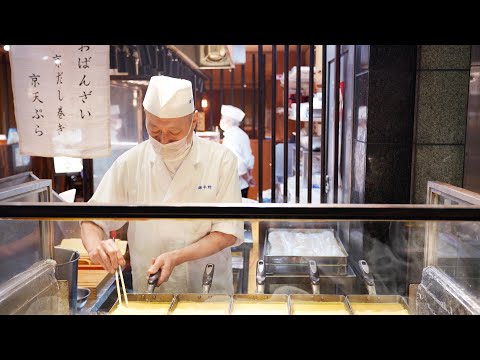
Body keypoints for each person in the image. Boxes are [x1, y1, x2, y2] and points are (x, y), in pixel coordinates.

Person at [80, 75, 244, 294]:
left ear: (194, 121)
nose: (164, 140)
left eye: (174, 133)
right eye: (155, 131)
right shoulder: (131, 162)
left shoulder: (220, 160)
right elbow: (91, 219)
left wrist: (177, 257)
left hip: (206, 290)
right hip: (150, 290)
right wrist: (95, 247)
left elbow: (227, 232)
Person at [219, 105, 255, 199]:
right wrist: (249, 177)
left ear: (230, 121)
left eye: (223, 118)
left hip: (235, 185)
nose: (221, 121)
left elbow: (237, 162)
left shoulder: (230, 137)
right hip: (243, 185)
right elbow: (250, 158)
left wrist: (247, 178)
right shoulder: (242, 134)